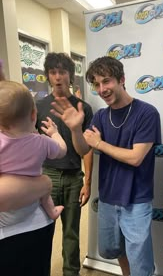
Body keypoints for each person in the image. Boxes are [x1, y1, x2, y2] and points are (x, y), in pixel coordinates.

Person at [50, 56, 161, 276]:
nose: (102, 89)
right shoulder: (101, 116)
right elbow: (83, 149)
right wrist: (75, 129)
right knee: (115, 249)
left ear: (122, 80)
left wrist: (100, 143)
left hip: (136, 199)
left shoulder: (147, 113)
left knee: (141, 261)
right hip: (108, 198)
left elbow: (136, 157)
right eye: (97, 84)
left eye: (107, 81)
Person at [36, 52, 93, 276]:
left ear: (71, 75)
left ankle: (71, 272)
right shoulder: (38, 106)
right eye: (53, 72)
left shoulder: (83, 108)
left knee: (71, 232)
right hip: (46, 176)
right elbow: (30, 143)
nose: (58, 77)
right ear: (48, 76)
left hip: (72, 177)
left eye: (63, 72)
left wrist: (87, 181)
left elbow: (88, 150)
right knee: (42, 231)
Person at [0, 80, 67, 227]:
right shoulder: (41, 141)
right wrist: (55, 134)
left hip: (6, 211)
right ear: (33, 114)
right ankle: (52, 211)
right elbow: (62, 151)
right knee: (44, 188)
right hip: (31, 204)